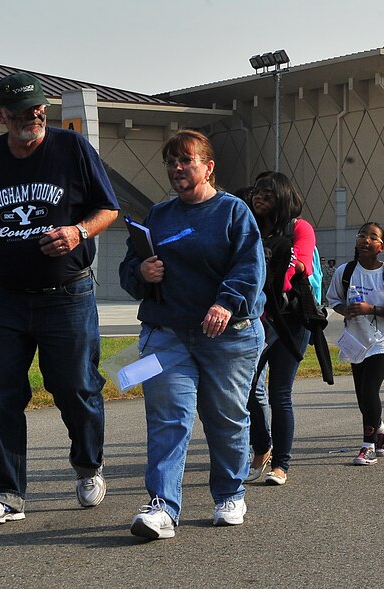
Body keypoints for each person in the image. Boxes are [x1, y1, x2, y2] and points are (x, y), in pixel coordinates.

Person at [0, 72, 119, 526]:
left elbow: (108, 208)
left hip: (68, 296)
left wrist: (77, 231)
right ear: (1, 115)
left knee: (75, 388)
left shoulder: (72, 148)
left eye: (40, 109)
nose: (35, 116)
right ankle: (5, 492)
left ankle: (88, 465)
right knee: (1, 393)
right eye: (24, 112)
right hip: (6, 299)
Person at [119, 130, 265, 539]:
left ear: (208, 167)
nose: (177, 168)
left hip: (228, 335)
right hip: (167, 334)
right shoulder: (158, 215)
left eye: (186, 160)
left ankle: (230, 494)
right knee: (168, 419)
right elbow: (130, 269)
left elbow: (250, 267)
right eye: (171, 162)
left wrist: (226, 303)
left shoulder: (233, 212)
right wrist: (141, 272)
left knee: (226, 418)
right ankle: (162, 507)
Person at [244, 172, 316, 486]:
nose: (259, 197)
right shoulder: (247, 225)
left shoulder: (299, 228)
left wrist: (268, 269)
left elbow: (297, 269)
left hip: (289, 321)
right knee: (246, 387)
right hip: (255, 319)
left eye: (268, 193)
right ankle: (262, 446)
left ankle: (281, 464)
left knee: (280, 393)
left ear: (283, 197)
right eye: (257, 191)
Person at [327, 222, 384, 465]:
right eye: (362, 235)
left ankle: (368, 446)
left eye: (373, 237)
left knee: (370, 389)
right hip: (357, 341)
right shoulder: (345, 272)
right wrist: (345, 310)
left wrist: (370, 309)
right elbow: (334, 300)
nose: (366, 240)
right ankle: (380, 427)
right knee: (363, 396)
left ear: (381, 247)